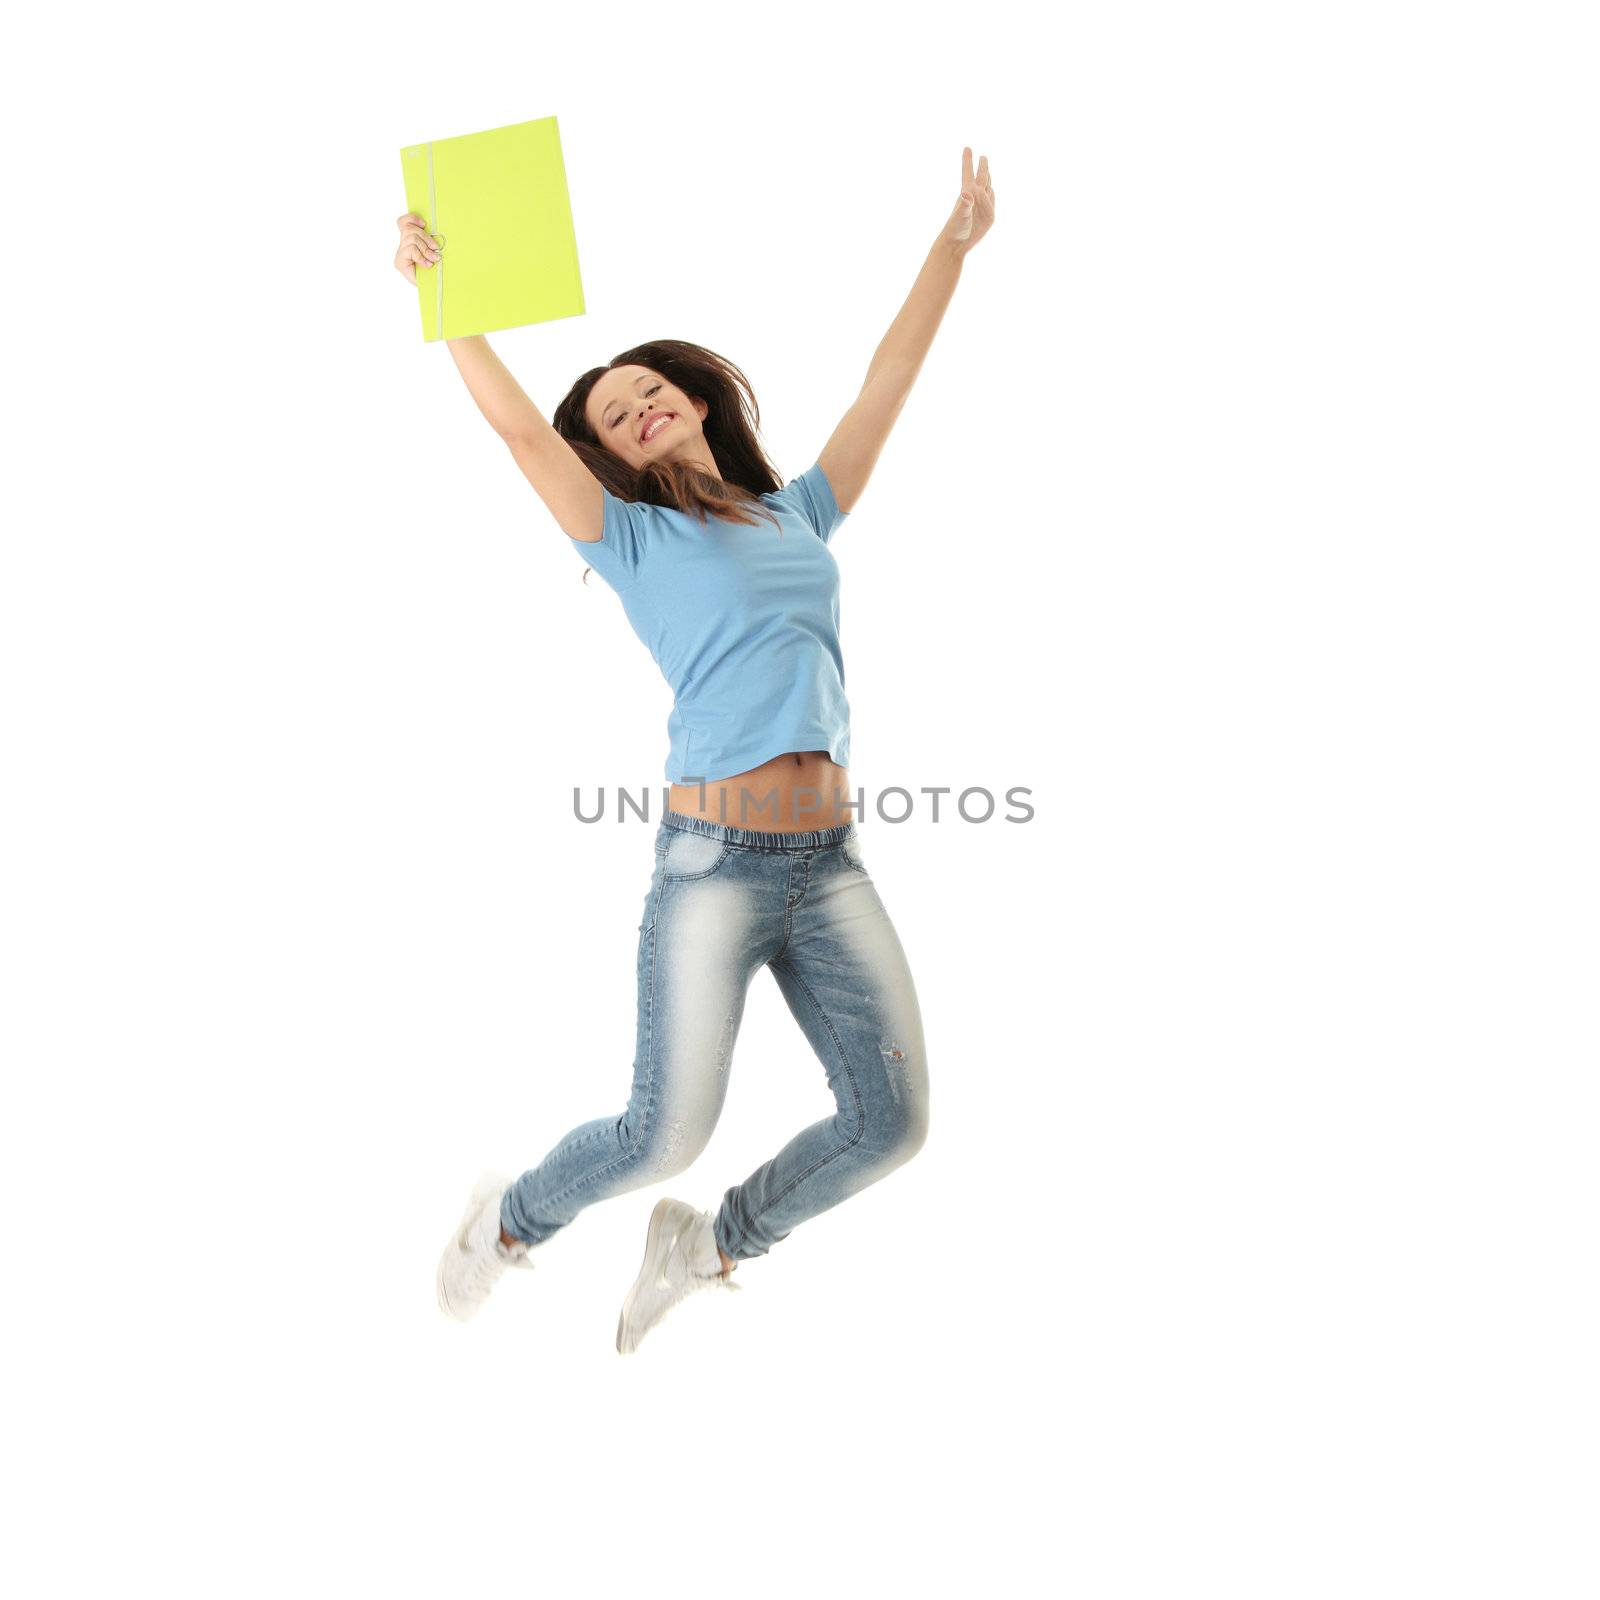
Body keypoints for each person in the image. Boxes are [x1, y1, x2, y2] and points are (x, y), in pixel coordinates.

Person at [393, 148, 996, 1352]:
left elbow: (888, 384)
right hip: (711, 865)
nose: (636, 407)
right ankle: (506, 1223)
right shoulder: (627, 537)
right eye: (613, 416)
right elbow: (521, 435)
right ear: (611, 455)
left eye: (645, 389)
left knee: (893, 1122)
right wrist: (444, 307)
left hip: (828, 863)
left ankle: (713, 1244)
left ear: (695, 397)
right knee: (662, 1131)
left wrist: (953, 245)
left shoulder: (800, 512)